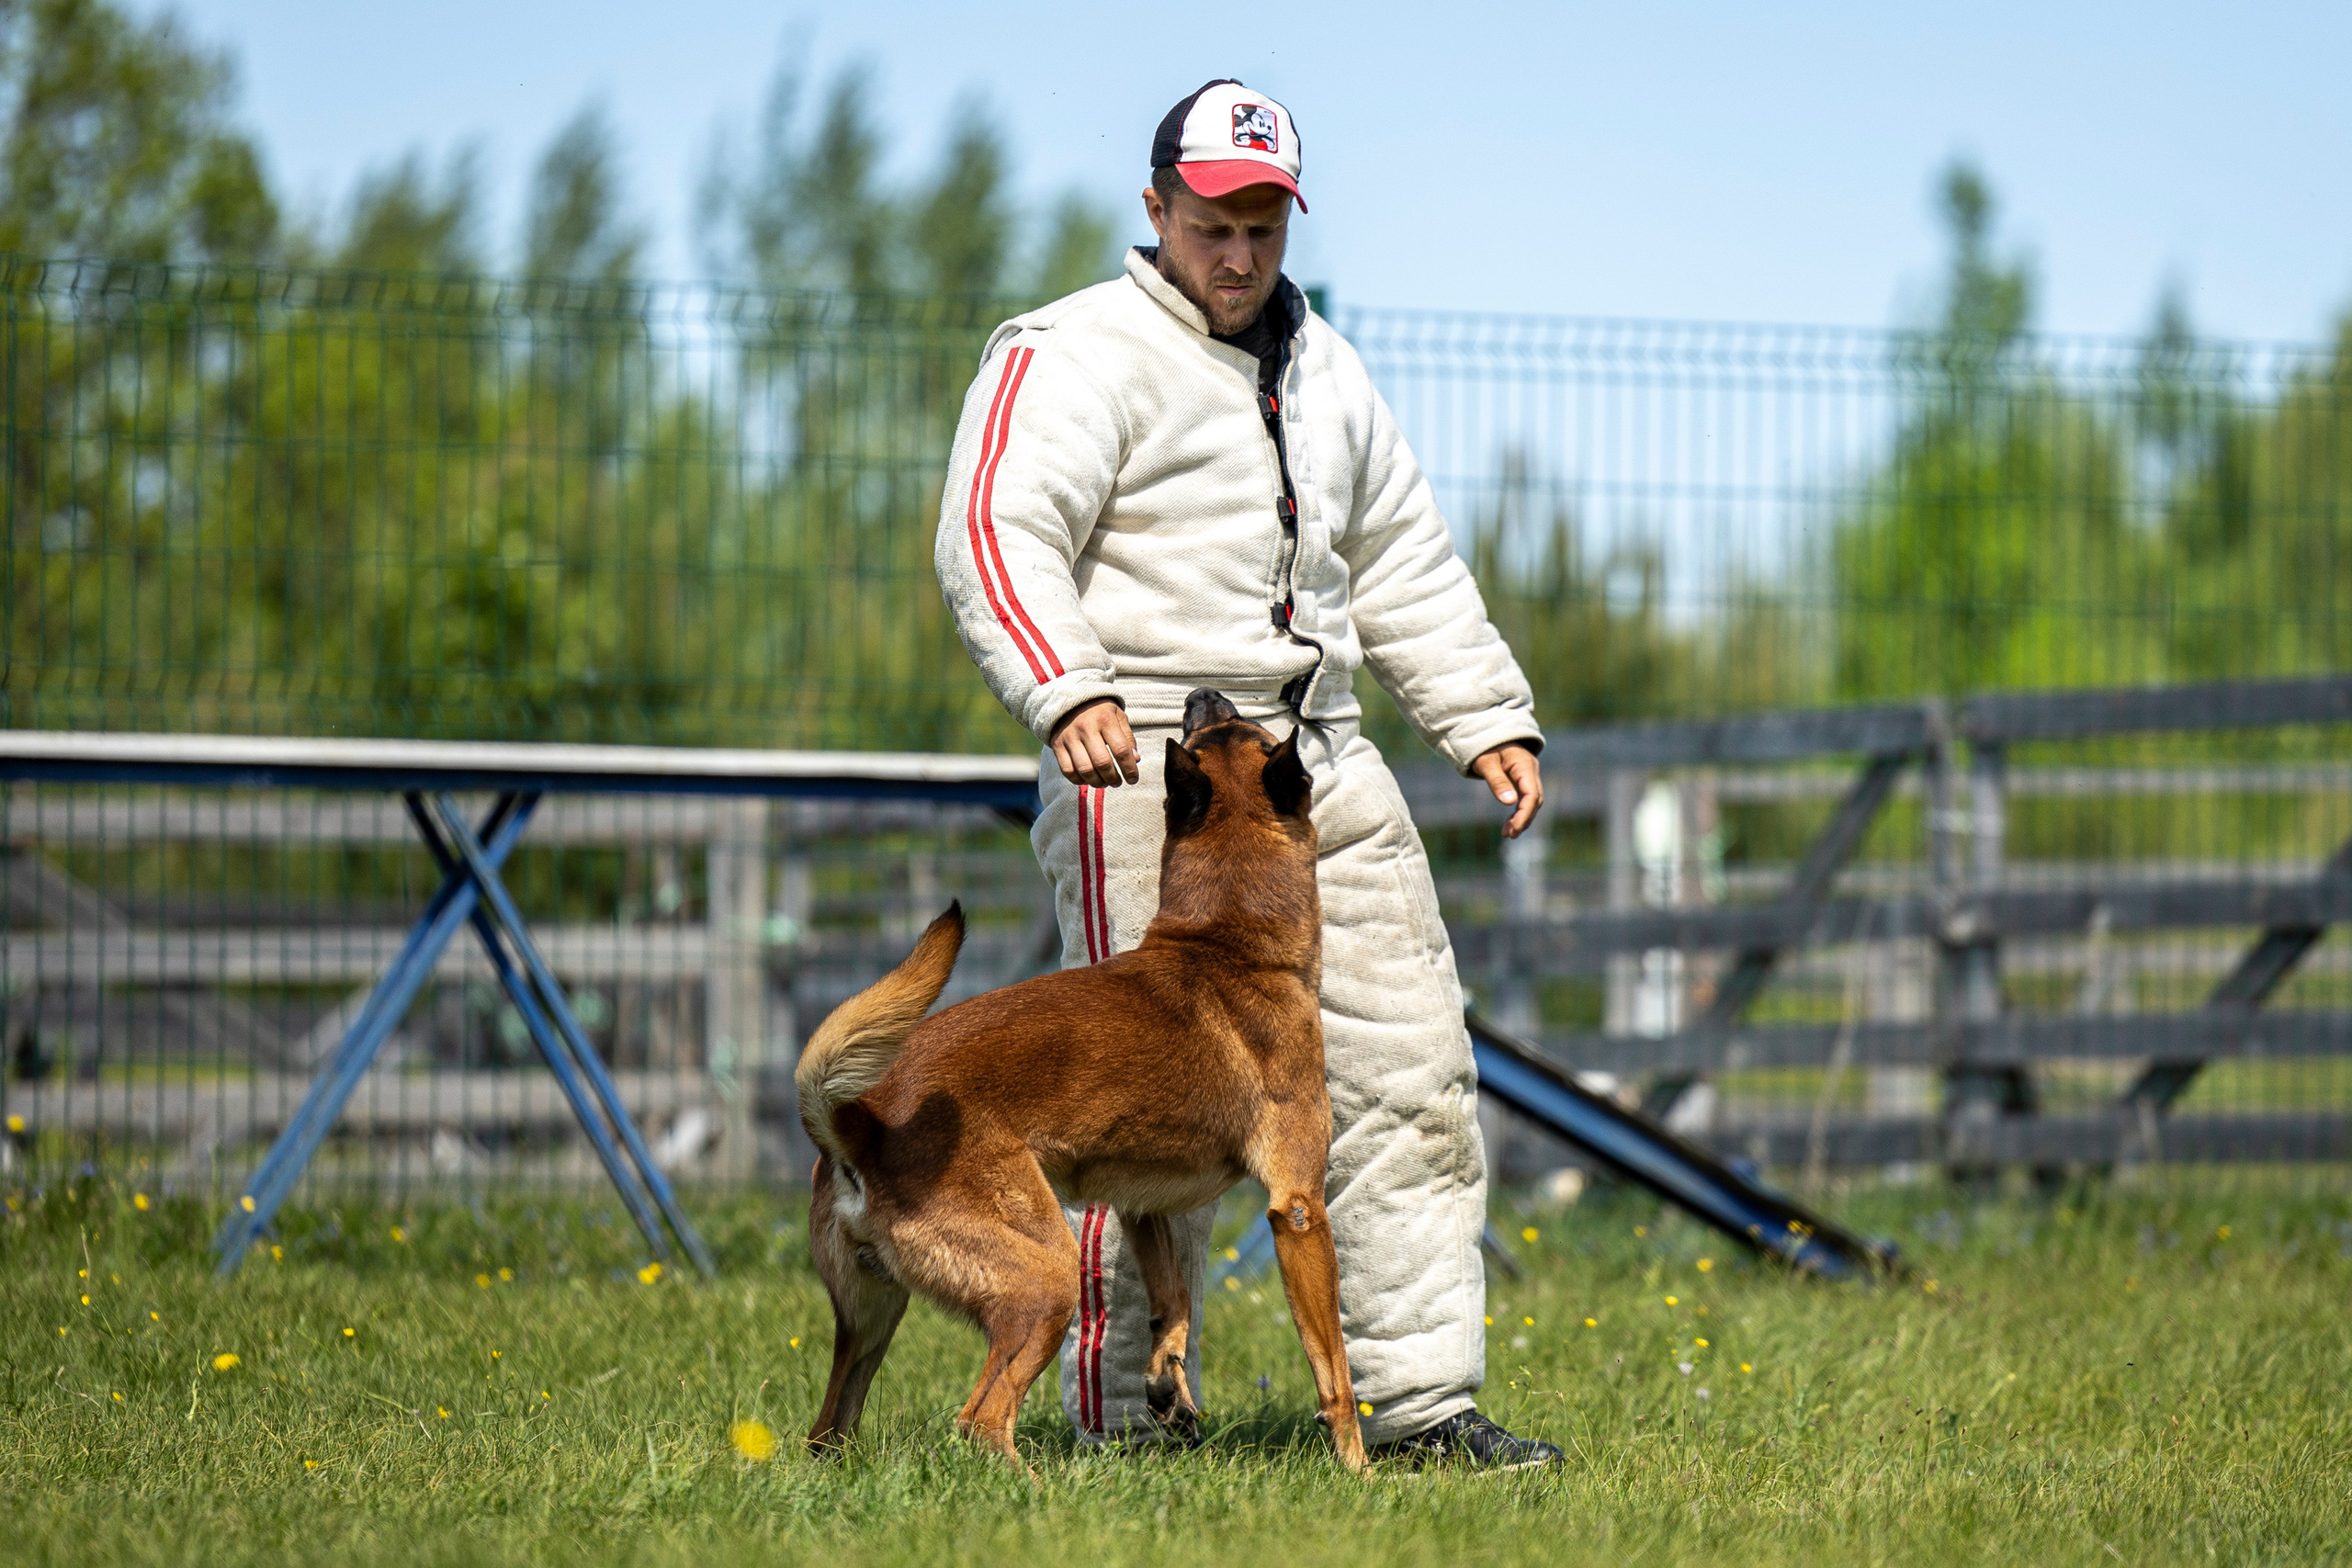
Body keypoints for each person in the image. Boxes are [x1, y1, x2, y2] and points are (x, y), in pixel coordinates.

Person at [934, 78, 1559, 1469]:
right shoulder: (1071, 353)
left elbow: (1397, 557)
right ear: (1156, 210)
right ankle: (1115, 1420)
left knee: (1403, 1073)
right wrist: (1068, 685)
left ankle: (1422, 1404)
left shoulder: (1326, 364)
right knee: (1120, 1112)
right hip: (1150, 762)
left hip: (1319, 757)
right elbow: (992, 525)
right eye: (1214, 223)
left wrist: (1484, 715)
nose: (1239, 255)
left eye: (1264, 225)